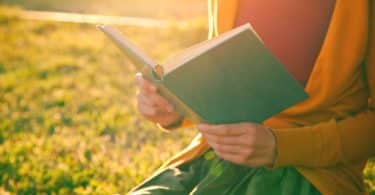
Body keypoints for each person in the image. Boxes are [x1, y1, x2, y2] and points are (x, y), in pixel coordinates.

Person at [130, 0, 375, 194]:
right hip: (212, 160)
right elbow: (226, 84)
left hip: (312, 175)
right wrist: (174, 108)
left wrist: (280, 147)